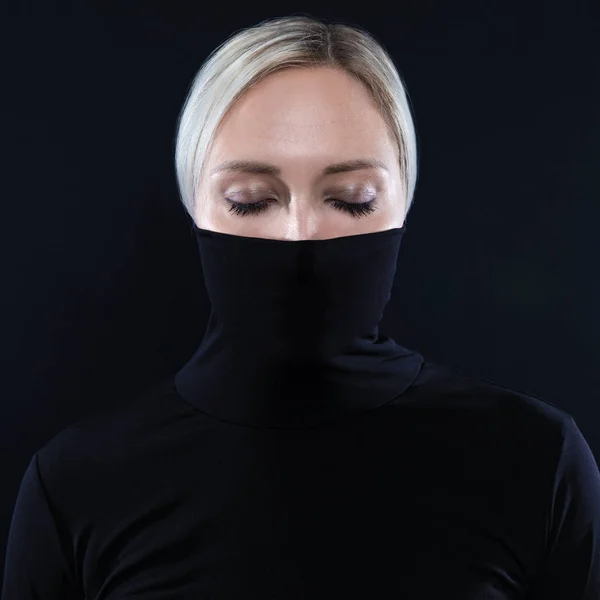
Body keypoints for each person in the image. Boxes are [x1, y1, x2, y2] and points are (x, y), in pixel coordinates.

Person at [3, 14, 599, 599]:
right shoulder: (77, 485)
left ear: (402, 203)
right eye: (249, 201)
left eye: (351, 199)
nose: (300, 234)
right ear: (195, 206)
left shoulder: (535, 461)